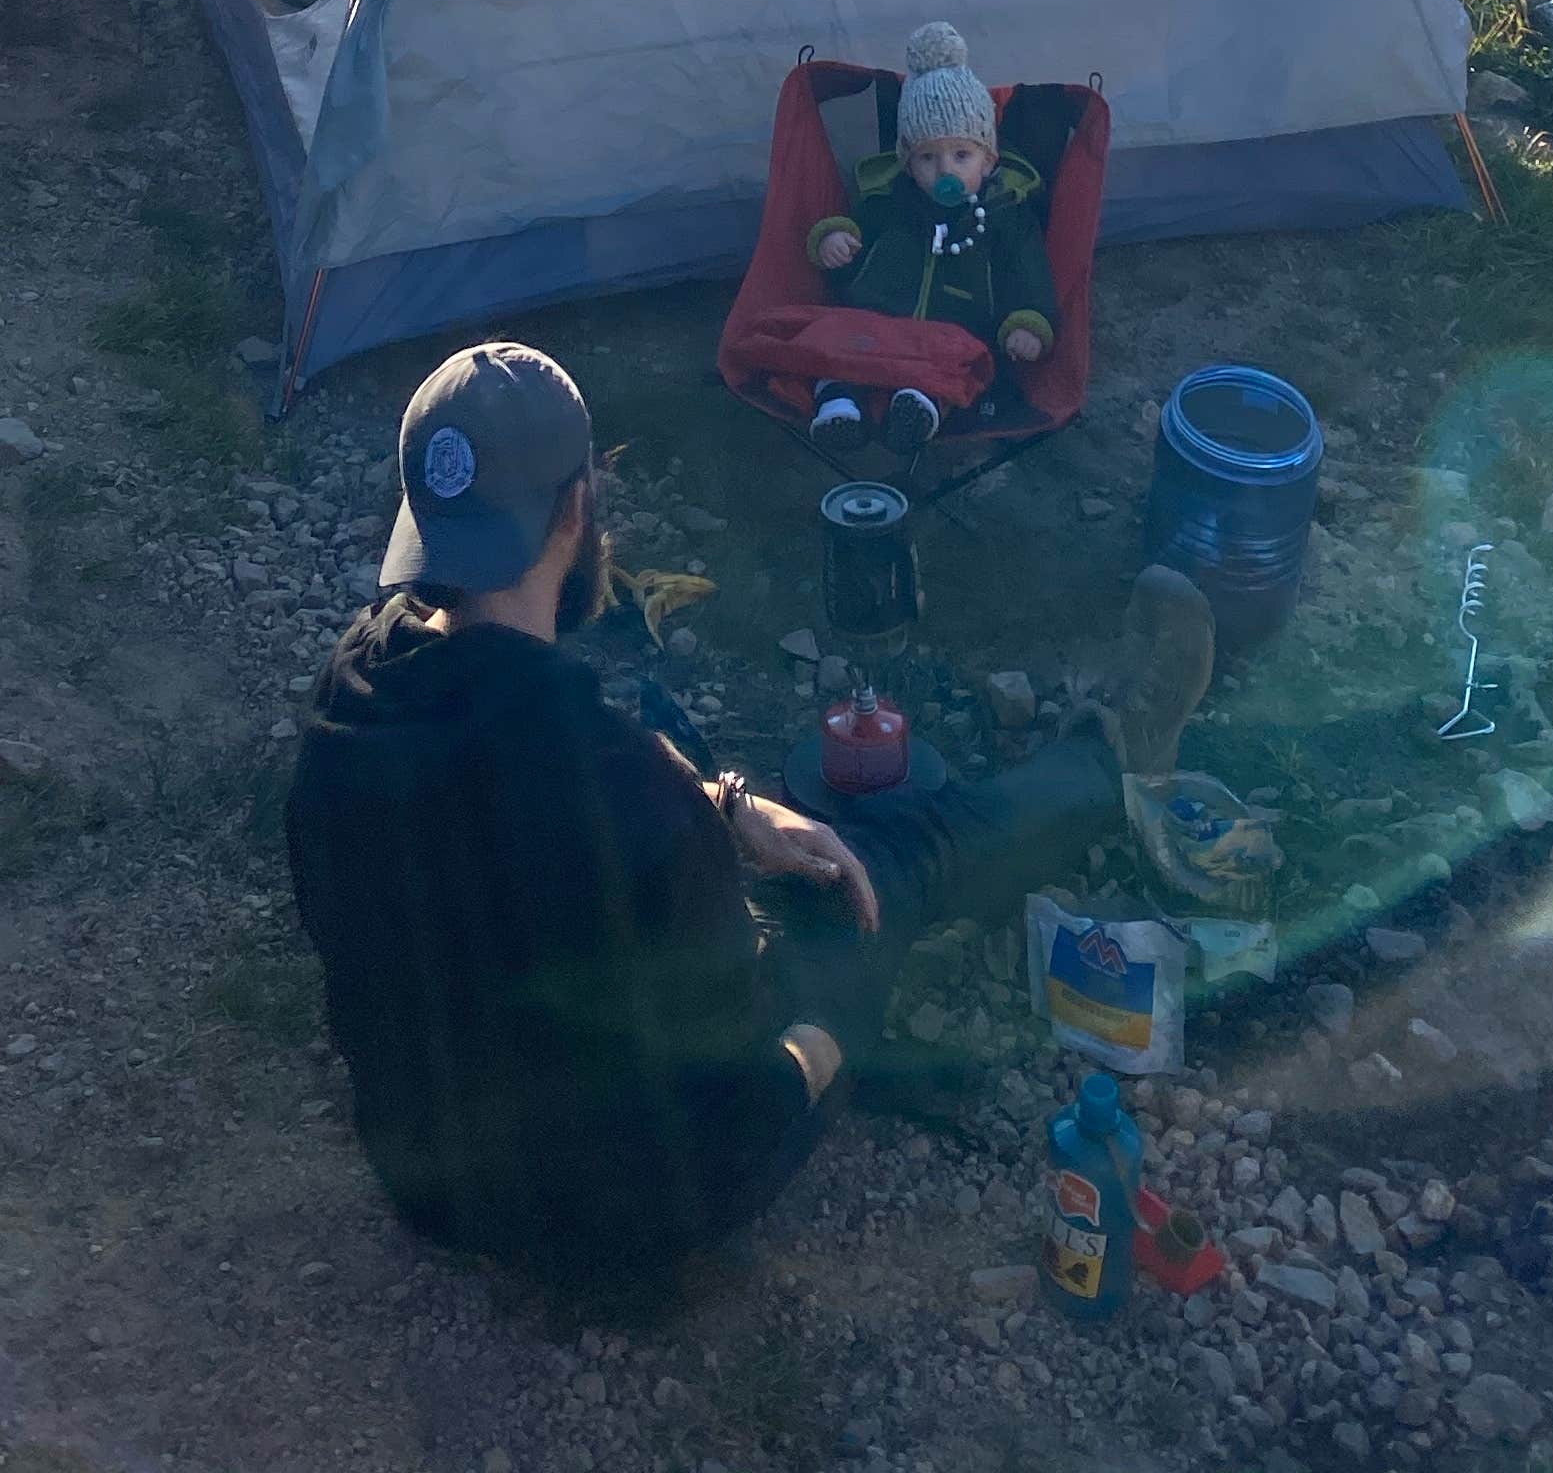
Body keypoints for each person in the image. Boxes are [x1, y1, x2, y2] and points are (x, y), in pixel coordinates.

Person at [284, 338, 1214, 1294]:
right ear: (577, 507)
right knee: (892, 861)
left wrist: (729, 803)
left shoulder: (351, 699)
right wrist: (836, 1025)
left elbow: (563, 749)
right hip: (619, 1219)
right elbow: (734, 1107)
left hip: (427, 1181)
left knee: (688, 780)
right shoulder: (626, 814)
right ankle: (1116, 756)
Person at [806, 22, 1060, 455]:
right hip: (877, 322)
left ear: (988, 159)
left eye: (961, 155)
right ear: (907, 163)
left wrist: (1028, 323)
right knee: (836, 344)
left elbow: (1028, 275)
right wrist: (835, 237)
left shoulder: (1005, 215)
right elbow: (856, 228)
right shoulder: (891, 199)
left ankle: (920, 408)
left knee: (962, 368)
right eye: (927, 157)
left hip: (954, 332)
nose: (945, 171)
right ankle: (838, 408)